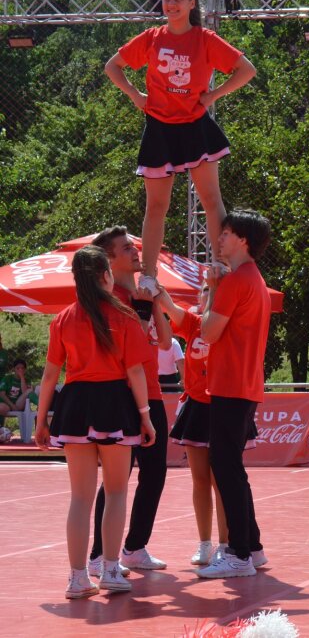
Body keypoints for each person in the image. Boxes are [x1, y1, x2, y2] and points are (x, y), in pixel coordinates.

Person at [104, 0, 256, 294]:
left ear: (191, 3)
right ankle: (148, 276)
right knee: (156, 207)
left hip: (195, 127)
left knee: (211, 199)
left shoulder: (205, 39)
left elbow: (246, 69)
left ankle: (219, 263)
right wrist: (135, 95)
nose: (171, 4)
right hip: (160, 128)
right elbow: (112, 66)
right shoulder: (151, 38)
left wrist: (213, 95)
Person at [33, 245, 155, 599]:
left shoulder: (63, 319)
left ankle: (77, 578)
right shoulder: (125, 317)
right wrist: (146, 418)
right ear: (105, 276)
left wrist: (42, 421)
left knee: (80, 498)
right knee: (116, 491)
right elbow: (135, 371)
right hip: (115, 403)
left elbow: (50, 375)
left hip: (75, 406)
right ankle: (111, 569)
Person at [89, 227, 173, 577]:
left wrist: (155, 300)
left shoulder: (140, 292)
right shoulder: (109, 298)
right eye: (127, 249)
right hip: (124, 395)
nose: (136, 252)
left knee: (154, 473)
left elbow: (166, 342)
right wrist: (140, 305)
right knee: (115, 478)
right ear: (109, 259)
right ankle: (97, 555)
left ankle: (135, 547)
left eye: (134, 246)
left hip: (151, 392)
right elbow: (128, 346)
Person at [197, 210, 272, 578]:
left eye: (226, 233)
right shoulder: (253, 278)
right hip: (241, 385)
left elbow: (208, 333)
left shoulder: (236, 280)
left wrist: (211, 289)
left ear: (243, 240)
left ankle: (239, 553)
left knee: (225, 467)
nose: (219, 238)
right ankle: (252, 548)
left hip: (231, 385)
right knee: (231, 468)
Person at [156, 284, 229, 566]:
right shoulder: (193, 323)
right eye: (205, 289)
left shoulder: (229, 324)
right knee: (199, 480)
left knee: (221, 481)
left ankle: (226, 544)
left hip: (223, 405)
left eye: (214, 289)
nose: (209, 293)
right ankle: (205, 543)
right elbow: (169, 307)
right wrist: (155, 288)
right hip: (197, 407)